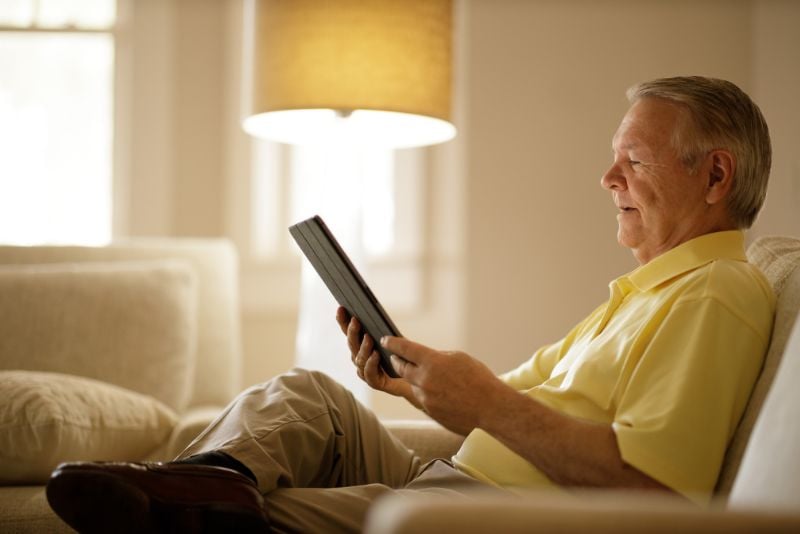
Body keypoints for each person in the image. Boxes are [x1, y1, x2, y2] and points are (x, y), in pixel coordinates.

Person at [45, 76, 775, 533]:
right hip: (455, 476)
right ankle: (196, 480)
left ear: (715, 176)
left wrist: (484, 400)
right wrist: (419, 386)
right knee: (310, 397)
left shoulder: (716, 292)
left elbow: (657, 490)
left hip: (496, 513)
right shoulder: (645, 292)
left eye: (634, 160)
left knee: (243, 519)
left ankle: (182, 503)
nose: (607, 177)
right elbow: (509, 412)